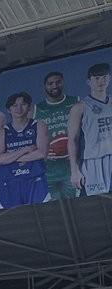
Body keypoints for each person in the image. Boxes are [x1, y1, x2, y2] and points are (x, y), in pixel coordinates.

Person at [0, 92, 48, 208]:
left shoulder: (39, 125)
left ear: (29, 107)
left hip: (35, 178)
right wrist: (25, 150)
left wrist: (10, 157)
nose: (19, 108)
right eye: (14, 105)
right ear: (9, 109)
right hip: (9, 181)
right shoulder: (2, 131)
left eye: (23, 104)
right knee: (15, 218)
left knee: (42, 214)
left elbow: (42, 152)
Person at [68, 62, 112, 196]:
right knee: (99, 205)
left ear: (109, 78)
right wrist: (74, 171)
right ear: (89, 81)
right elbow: (72, 140)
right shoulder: (80, 107)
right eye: (97, 78)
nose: (101, 81)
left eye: (104, 77)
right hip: (93, 161)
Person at [36, 71, 79, 201]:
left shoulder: (76, 101)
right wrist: (42, 152)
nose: (54, 85)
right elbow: (29, 138)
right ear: (45, 86)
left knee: (77, 207)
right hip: (49, 171)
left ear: (63, 83)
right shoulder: (37, 109)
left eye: (58, 82)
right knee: (54, 212)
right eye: (50, 83)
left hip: (72, 169)